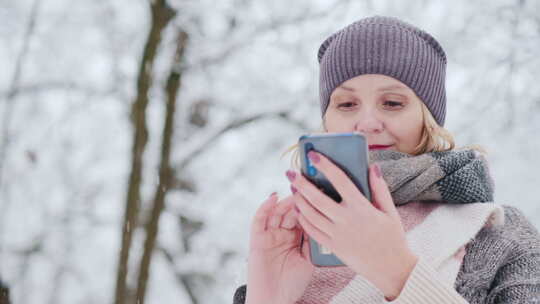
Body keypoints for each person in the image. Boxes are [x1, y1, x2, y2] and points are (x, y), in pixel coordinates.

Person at [232, 15, 540, 303]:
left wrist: (397, 272)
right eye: (347, 103)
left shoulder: (499, 234)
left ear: (428, 117)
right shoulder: (292, 236)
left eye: (392, 103)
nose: (367, 123)